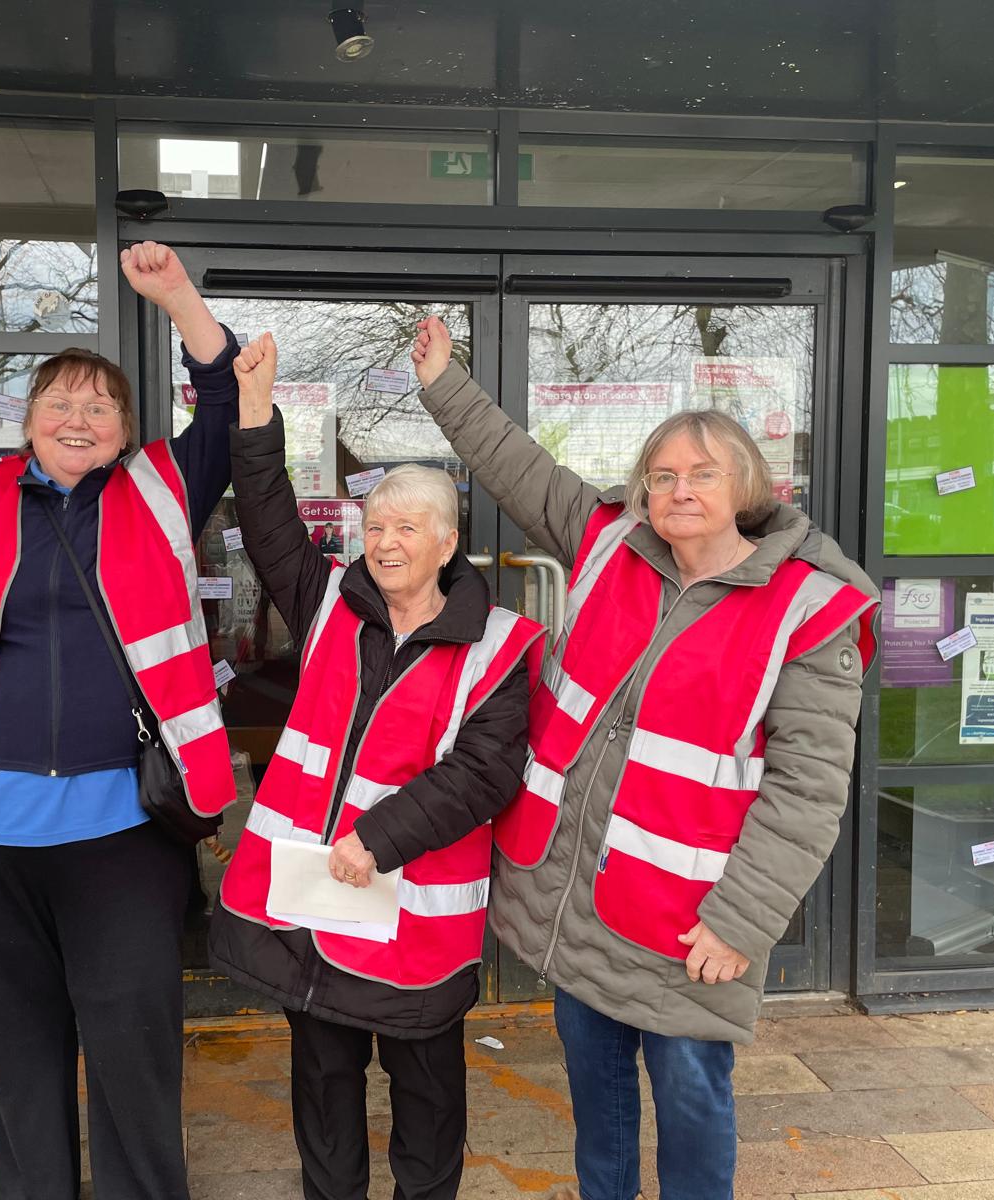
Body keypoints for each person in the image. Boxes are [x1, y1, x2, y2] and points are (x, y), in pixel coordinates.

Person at [409, 316, 878, 1200]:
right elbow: (519, 467)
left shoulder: (809, 611)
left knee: (693, 1111)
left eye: (703, 473)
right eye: (663, 476)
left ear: (746, 486)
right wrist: (444, 383)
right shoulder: (612, 546)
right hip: (580, 899)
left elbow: (809, 791)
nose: (680, 490)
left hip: (690, 920)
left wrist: (742, 921)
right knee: (599, 1106)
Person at [0, 242, 241, 1200]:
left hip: (121, 829)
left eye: (100, 405)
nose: (78, 418)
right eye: (60, 403)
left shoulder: (164, 493)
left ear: (127, 429)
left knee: (132, 1054)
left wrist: (176, 294)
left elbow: (221, 400)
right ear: (28, 422)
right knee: (21, 1051)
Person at [210, 334, 544, 1200]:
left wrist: (377, 838)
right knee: (323, 1080)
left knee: (426, 1093)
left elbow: (483, 773)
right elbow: (269, 516)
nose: (384, 543)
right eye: (374, 527)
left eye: (405, 528)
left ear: (446, 543)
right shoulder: (330, 606)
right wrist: (254, 410)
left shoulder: (501, 647)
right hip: (318, 906)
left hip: (415, 925)